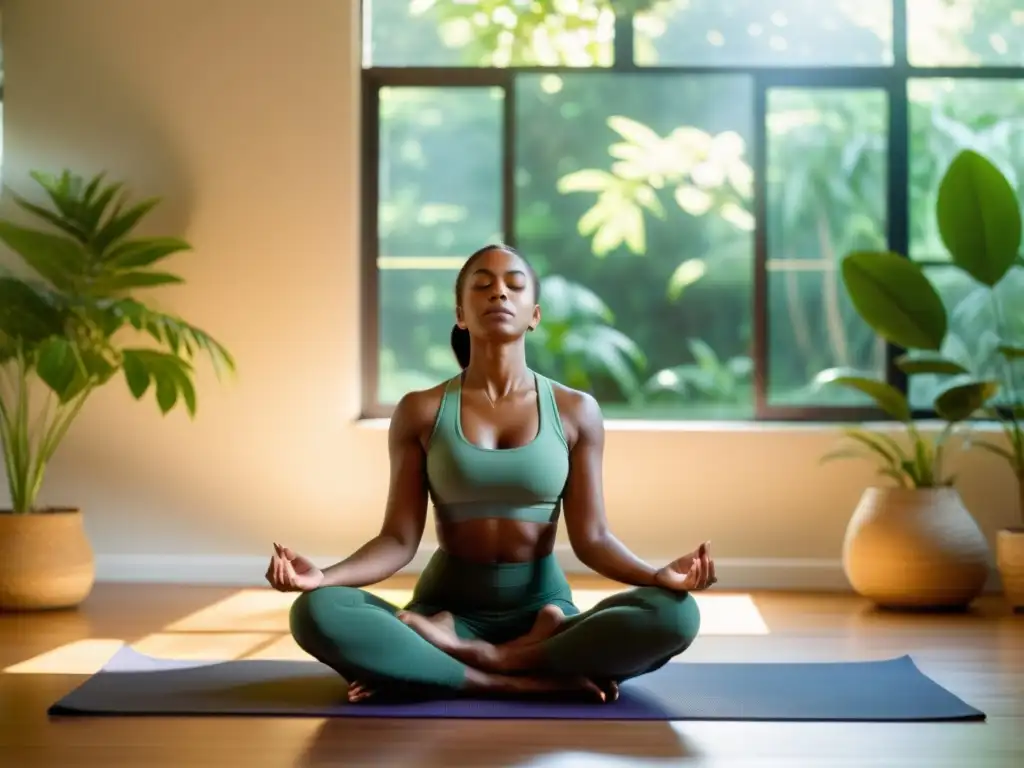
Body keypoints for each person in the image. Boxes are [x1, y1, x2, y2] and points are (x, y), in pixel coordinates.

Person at [266, 244, 717, 704]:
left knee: (674, 616)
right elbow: (398, 541)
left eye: (514, 286)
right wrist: (322, 577)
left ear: (534, 315)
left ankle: (453, 664)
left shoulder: (577, 410)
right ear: (461, 314)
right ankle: (512, 677)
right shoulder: (420, 410)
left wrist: (657, 576)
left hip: (544, 614)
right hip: (444, 611)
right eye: (483, 286)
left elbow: (594, 539)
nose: (499, 293)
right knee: (315, 612)